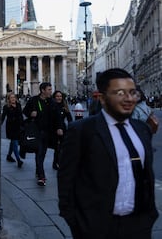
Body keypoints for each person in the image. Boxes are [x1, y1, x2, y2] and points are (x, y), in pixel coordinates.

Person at [58, 68, 158, 239]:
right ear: (103, 98)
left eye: (132, 92)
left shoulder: (142, 129)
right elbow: (66, 178)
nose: (128, 99)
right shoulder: (82, 130)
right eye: (120, 93)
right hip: (96, 227)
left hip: (138, 225)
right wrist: (76, 222)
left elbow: (145, 175)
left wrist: (148, 216)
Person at [23, 82, 62, 186]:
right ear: (43, 90)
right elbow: (25, 111)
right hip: (37, 132)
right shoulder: (33, 100)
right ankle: (41, 176)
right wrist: (31, 114)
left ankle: (38, 169)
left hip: (48, 132)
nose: (51, 91)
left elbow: (58, 116)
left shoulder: (52, 102)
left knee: (41, 154)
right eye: (49, 89)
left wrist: (59, 127)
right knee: (39, 153)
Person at [51, 90, 73, 170]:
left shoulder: (64, 106)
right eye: (57, 96)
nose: (59, 98)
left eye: (60, 96)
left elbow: (69, 118)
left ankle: (57, 162)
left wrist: (71, 127)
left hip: (63, 129)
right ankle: (57, 162)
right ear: (54, 97)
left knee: (62, 147)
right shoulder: (52, 106)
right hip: (54, 129)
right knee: (57, 147)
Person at [1, 92, 24, 168]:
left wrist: (23, 125)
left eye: (14, 97)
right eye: (11, 97)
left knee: (13, 142)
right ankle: (18, 160)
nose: (13, 99)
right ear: (8, 99)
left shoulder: (18, 105)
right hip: (11, 127)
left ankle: (9, 156)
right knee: (15, 142)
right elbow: (3, 117)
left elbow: (21, 116)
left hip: (18, 126)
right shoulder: (6, 107)